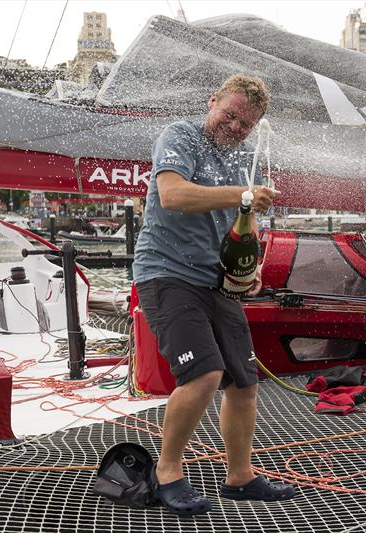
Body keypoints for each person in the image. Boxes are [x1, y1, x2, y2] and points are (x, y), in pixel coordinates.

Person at [133, 74, 295, 517]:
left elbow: (243, 228)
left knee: (243, 382)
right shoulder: (180, 136)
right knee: (204, 374)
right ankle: (166, 472)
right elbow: (172, 195)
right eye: (231, 114)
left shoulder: (244, 161)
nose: (236, 127)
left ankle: (239, 477)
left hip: (218, 282)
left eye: (246, 124)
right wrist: (244, 195)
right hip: (166, 274)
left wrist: (251, 268)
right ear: (214, 102)